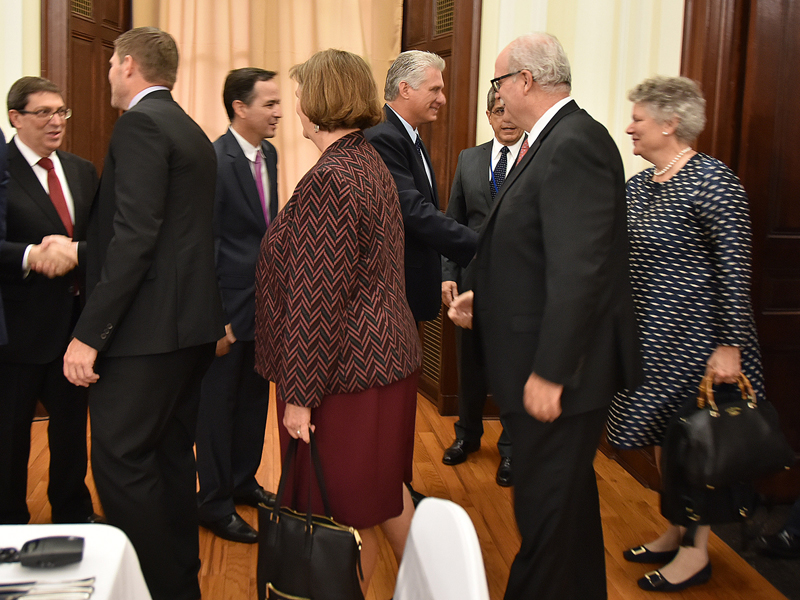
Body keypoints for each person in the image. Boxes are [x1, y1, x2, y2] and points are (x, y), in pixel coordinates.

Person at [448, 33, 641, 600]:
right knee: (566, 513)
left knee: (543, 520)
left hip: (561, 375)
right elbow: (536, 252)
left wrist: (552, 371)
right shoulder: (549, 140)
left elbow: (581, 270)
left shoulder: (575, 142)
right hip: (540, 362)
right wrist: (485, 296)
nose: (498, 95)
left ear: (525, 82)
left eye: (499, 82)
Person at [62, 27, 224, 600]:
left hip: (145, 338)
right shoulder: (192, 131)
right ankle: (180, 583)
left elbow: (135, 239)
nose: (108, 73)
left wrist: (89, 335)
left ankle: (153, 589)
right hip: (188, 334)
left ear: (128, 64)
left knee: (121, 464)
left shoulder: (139, 125)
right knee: (171, 460)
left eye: (110, 63)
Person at [254, 49, 422, 596]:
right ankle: (441, 584)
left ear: (319, 102)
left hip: (342, 376)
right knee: (380, 497)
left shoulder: (334, 176)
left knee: (338, 516)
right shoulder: (364, 161)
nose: (296, 105)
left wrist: (300, 393)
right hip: (379, 363)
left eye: (301, 93)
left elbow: (317, 298)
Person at [607, 75, 765, 592]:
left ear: (670, 123)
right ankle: (674, 528)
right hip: (652, 340)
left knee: (693, 448)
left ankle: (696, 553)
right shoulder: (638, 185)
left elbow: (734, 270)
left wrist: (730, 347)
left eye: (639, 119)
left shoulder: (713, 181)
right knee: (662, 442)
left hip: (701, 345)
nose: (629, 127)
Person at [1, 77, 99, 525]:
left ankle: (73, 515)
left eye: (62, 111)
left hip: (74, 329)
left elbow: (95, 242)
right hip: (16, 334)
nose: (57, 121)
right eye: (44, 113)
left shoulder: (80, 170)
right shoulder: (3, 168)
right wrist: (29, 256)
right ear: (15, 118)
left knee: (71, 435)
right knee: (10, 438)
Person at [195, 67, 281, 544]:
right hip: (226, 312)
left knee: (252, 403)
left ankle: (243, 483)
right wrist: (216, 320)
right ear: (239, 108)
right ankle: (212, 503)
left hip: (262, 308)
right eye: (268, 104)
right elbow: (204, 244)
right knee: (216, 411)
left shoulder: (267, 153)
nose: (279, 112)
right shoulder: (215, 159)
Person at [440, 88, 524, 486]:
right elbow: (452, 222)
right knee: (469, 368)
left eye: (511, 110)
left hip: (516, 287)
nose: (506, 118)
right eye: (498, 111)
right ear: (488, 116)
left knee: (512, 369)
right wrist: (448, 273)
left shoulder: (536, 158)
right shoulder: (469, 159)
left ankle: (510, 451)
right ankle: (467, 438)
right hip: (471, 282)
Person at [365, 50, 477, 323]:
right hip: (395, 295)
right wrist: (478, 246)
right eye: (435, 89)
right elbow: (412, 210)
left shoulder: (408, 135)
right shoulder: (384, 136)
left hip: (410, 293)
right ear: (405, 89)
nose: (442, 99)